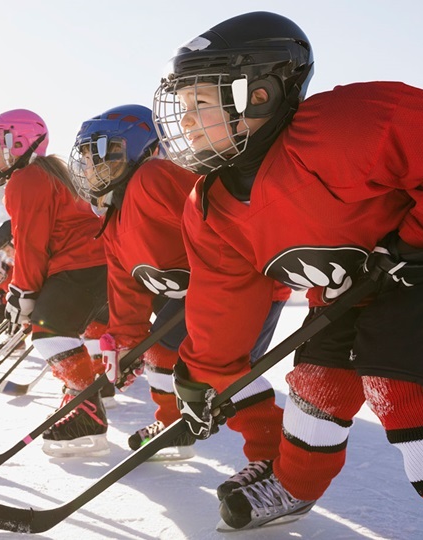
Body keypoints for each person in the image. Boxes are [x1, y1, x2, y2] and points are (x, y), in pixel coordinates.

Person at [153, 11, 423, 538]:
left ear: (259, 94)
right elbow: (223, 302)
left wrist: (420, 240)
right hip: (351, 290)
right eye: (181, 106)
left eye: (199, 103)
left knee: (403, 389)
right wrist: (205, 375)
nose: (185, 121)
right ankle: (294, 483)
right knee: (316, 387)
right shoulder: (211, 206)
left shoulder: (345, 126)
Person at [64, 104, 288, 461]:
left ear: (146, 150)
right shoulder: (114, 218)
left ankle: (273, 458)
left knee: (217, 370)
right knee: (162, 347)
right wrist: (123, 343)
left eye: (106, 152)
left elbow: (223, 220)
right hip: (199, 293)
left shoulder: (154, 179)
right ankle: (173, 423)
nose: (93, 165)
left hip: (242, 283)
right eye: (88, 157)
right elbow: (127, 289)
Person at [0, 109, 111, 457]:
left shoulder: (27, 179)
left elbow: (30, 244)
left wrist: (23, 292)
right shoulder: (50, 173)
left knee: (48, 333)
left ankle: (87, 411)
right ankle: (78, 401)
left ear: (15, 143)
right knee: (65, 333)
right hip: (100, 266)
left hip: (81, 268)